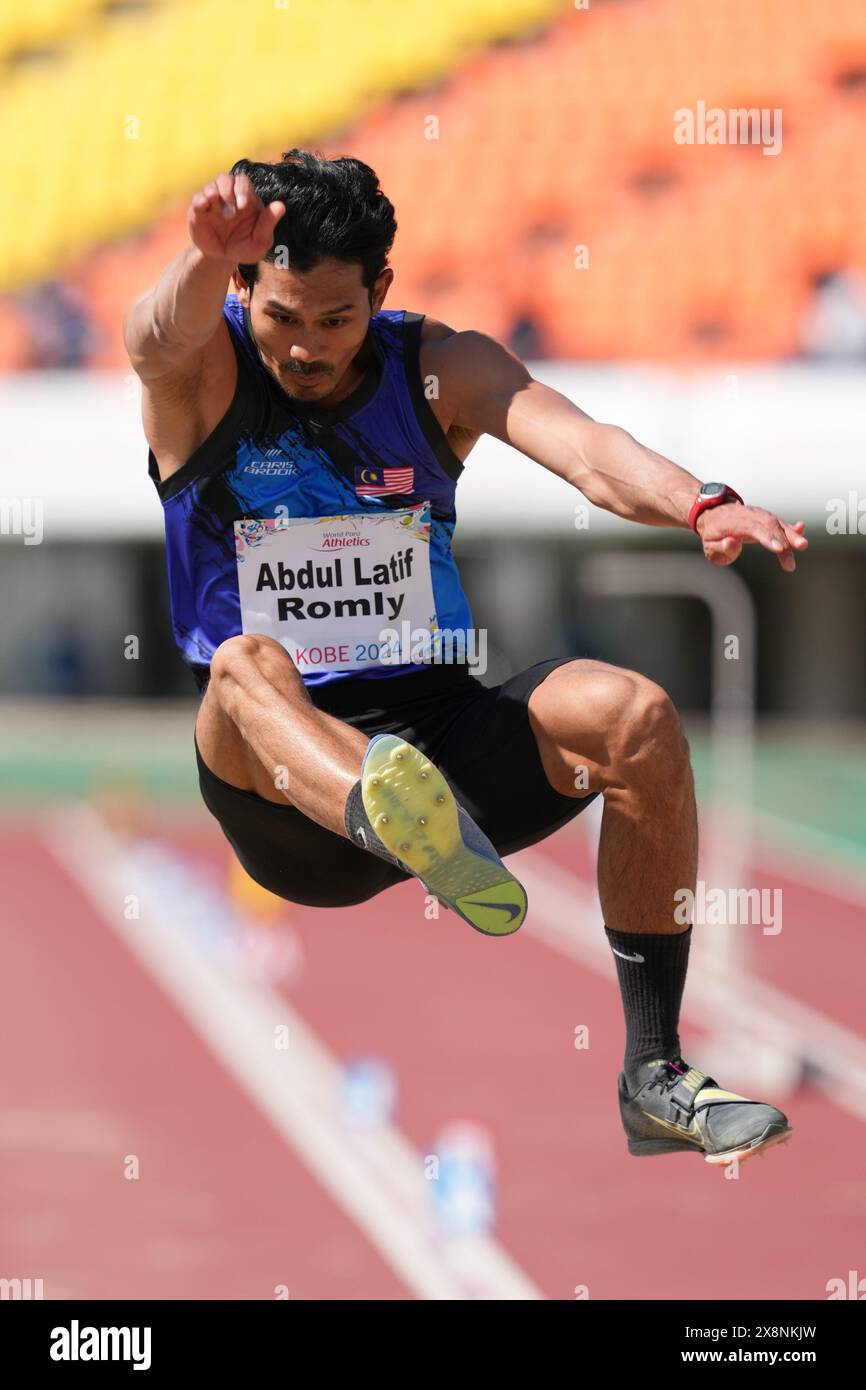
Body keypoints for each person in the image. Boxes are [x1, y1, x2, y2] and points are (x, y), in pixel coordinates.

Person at [123, 150, 808, 1164]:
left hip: (440, 739)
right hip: (288, 790)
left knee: (633, 714)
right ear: (242, 288)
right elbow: (149, 337)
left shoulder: (437, 368)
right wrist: (194, 260)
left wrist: (699, 501)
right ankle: (393, 818)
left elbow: (585, 449)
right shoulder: (203, 376)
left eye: (334, 320)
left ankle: (653, 1074)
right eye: (282, 317)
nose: (306, 349)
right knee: (241, 667)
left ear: (380, 295)